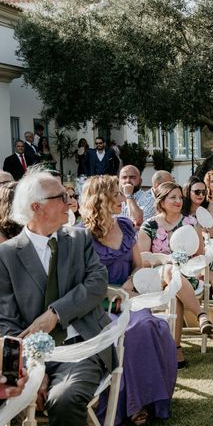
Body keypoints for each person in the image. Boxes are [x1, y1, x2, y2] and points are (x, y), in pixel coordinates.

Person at [0, 171, 112, 426]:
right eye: (61, 196)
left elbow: (97, 283)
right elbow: (6, 321)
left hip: (79, 347)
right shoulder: (5, 255)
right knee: (10, 397)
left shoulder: (78, 238)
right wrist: (29, 370)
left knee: (63, 398)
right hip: (28, 357)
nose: (70, 202)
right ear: (36, 207)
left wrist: (55, 314)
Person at [80, 176, 177, 426]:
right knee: (129, 332)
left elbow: (138, 266)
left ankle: (148, 400)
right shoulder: (80, 236)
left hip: (130, 298)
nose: (122, 199)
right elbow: (79, 282)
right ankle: (130, 404)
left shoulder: (124, 225)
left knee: (149, 325)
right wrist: (110, 295)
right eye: (117, 194)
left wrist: (127, 286)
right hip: (97, 306)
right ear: (101, 199)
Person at [137, 181, 213, 368]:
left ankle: (176, 348)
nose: (179, 201)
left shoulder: (190, 222)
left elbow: (199, 254)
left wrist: (185, 262)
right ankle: (201, 314)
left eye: (180, 197)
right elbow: (143, 260)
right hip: (157, 275)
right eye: (173, 197)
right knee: (171, 271)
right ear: (161, 201)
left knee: (176, 289)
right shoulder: (150, 225)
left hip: (186, 276)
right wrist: (167, 259)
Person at [181, 175, 213, 299]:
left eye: (204, 192)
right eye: (197, 192)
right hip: (187, 247)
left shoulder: (209, 206)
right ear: (188, 192)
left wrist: (202, 232)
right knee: (193, 257)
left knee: (201, 256)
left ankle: (211, 288)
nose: (201, 195)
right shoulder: (182, 208)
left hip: (210, 245)